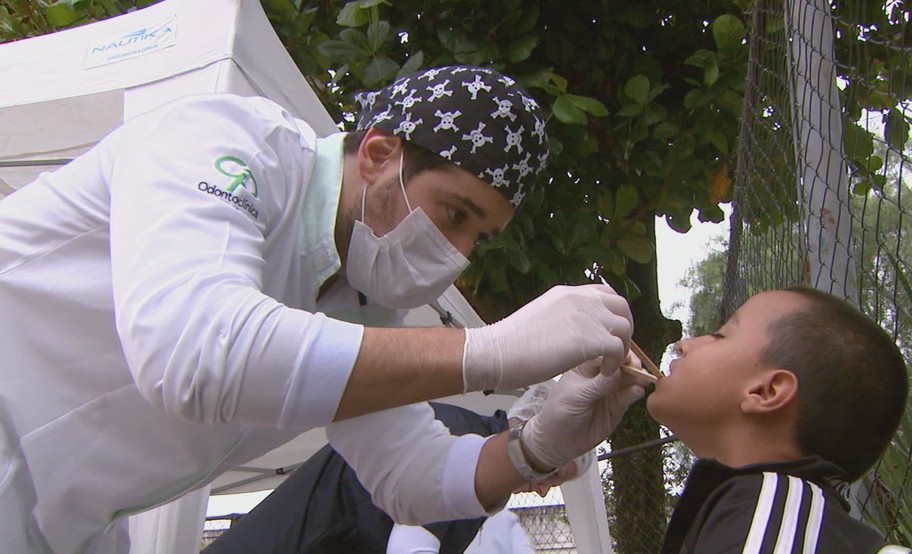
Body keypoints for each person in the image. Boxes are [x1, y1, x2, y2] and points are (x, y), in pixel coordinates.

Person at [0, 65, 644, 553]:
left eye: (479, 236)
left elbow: (409, 477)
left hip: (63, 527)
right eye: (454, 213)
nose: (459, 252)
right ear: (378, 154)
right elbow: (194, 351)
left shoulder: (362, 306)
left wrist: (531, 449)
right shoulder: (226, 141)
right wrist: (489, 351)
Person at [647, 287, 912, 553]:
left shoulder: (770, 514)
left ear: (766, 392)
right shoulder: (769, 515)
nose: (683, 345)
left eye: (720, 335)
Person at [203, 381, 590, 554]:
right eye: (552, 468)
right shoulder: (459, 442)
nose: (542, 489)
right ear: (531, 426)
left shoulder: (473, 448)